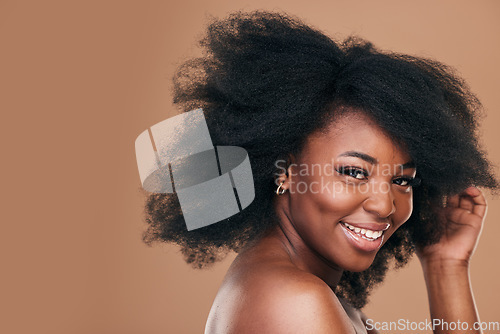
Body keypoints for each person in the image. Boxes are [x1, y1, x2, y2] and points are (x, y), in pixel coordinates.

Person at [139, 11, 499, 333]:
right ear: (285, 169)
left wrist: (445, 265)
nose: (385, 205)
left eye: (402, 180)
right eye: (354, 172)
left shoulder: (302, 288)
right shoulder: (293, 301)